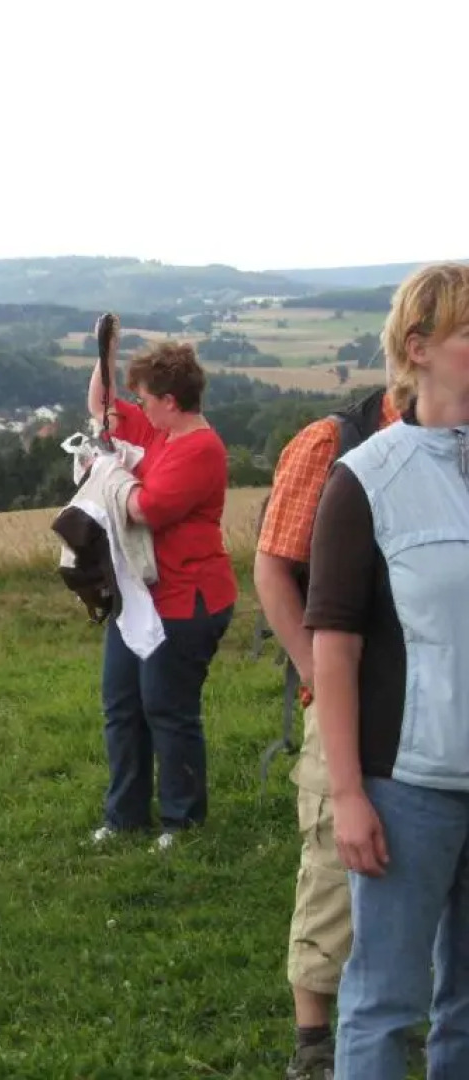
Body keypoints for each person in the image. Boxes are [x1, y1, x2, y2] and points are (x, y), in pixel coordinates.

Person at [305, 262, 469, 1080]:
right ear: (419, 348)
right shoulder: (367, 479)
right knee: (385, 1003)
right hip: (408, 791)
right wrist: (349, 794)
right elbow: (334, 651)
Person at [255, 378, 400, 1080]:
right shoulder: (331, 441)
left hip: (436, 691)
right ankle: (313, 1041)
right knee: (331, 857)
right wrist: (316, 672)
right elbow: (273, 567)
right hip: (344, 683)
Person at [86, 334, 237, 851]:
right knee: (123, 705)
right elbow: (103, 407)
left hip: (187, 598)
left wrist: (107, 476)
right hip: (140, 598)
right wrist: (106, 353)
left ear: (170, 401)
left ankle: (182, 821)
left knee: (168, 710)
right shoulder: (162, 433)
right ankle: (124, 816)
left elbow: (146, 509)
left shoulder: (199, 449)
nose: (140, 406)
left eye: (146, 398)